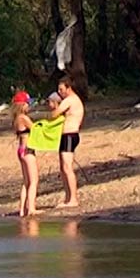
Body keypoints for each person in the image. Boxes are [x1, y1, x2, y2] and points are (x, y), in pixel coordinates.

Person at [51, 76, 84, 208]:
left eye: (61, 89)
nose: (60, 92)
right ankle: (68, 197)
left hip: (70, 135)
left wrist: (55, 105)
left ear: (68, 88)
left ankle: (73, 199)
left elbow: (54, 114)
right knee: (62, 167)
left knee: (67, 166)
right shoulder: (69, 100)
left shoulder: (70, 100)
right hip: (65, 136)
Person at [11, 91, 38, 216]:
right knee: (33, 180)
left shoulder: (16, 119)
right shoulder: (23, 118)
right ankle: (31, 208)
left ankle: (22, 210)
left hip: (20, 149)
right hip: (28, 150)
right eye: (28, 104)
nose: (29, 106)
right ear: (22, 105)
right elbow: (35, 129)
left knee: (26, 182)